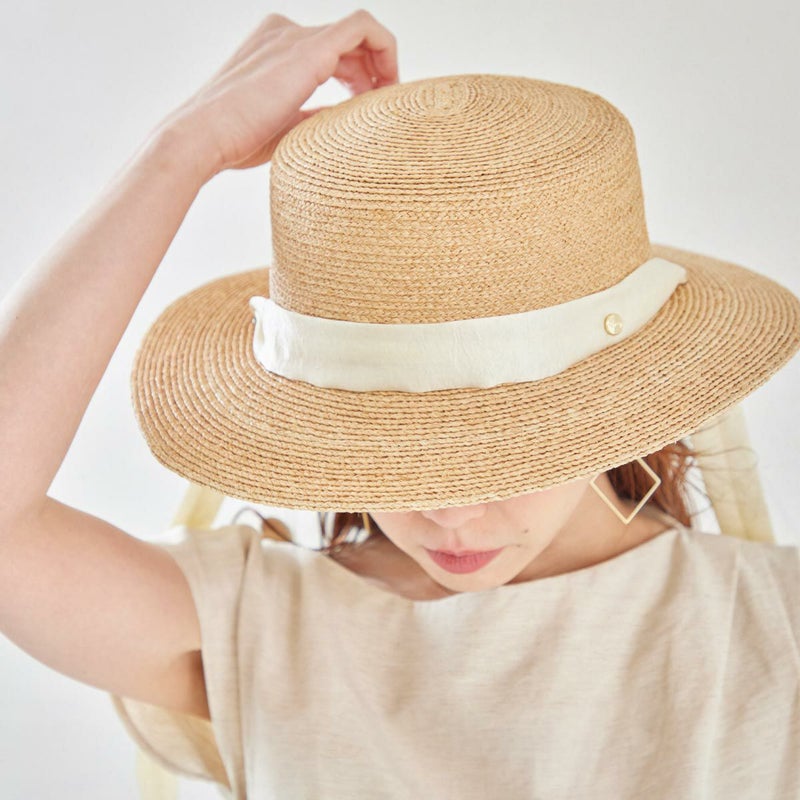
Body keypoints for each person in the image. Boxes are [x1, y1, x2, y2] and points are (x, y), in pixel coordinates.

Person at [2, 9, 799, 800]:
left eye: (502, 451)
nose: (449, 512)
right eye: (392, 453)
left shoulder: (776, 628)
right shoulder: (265, 626)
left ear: (616, 400)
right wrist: (180, 152)